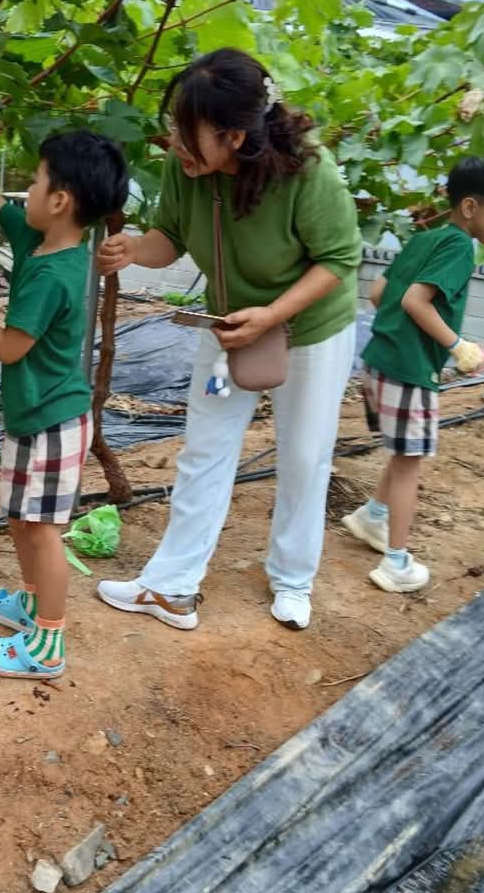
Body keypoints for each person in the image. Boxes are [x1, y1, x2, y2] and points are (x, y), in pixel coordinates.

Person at [96, 47, 362, 633]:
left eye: (188, 131)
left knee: (304, 455)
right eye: (175, 126)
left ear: (236, 137)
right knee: (205, 449)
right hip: (229, 323)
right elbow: (170, 236)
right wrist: (134, 249)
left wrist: (273, 315)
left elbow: (340, 260)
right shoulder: (186, 166)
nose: (175, 142)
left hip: (310, 327)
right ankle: (172, 587)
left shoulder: (308, 172)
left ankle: (293, 579)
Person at [0, 132, 129, 678]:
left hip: (53, 423)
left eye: (37, 181)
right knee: (21, 519)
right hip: (32, 416)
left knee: (43, 531)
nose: (27, 191)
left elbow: (9, 347)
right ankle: (31, 601)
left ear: (60, 200)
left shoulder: (52, 275)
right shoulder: (39, 240)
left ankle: (48, 644)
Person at [343, 155, 484, 593]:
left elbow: (379, 293)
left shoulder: (425, 238)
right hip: (410, 372)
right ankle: (396, 563)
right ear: (469, 206)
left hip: (379, 363)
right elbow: (414, 302)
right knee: (410, 464)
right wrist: (459, 347)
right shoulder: (460, 247)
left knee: (403, 453)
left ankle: (373, 517)